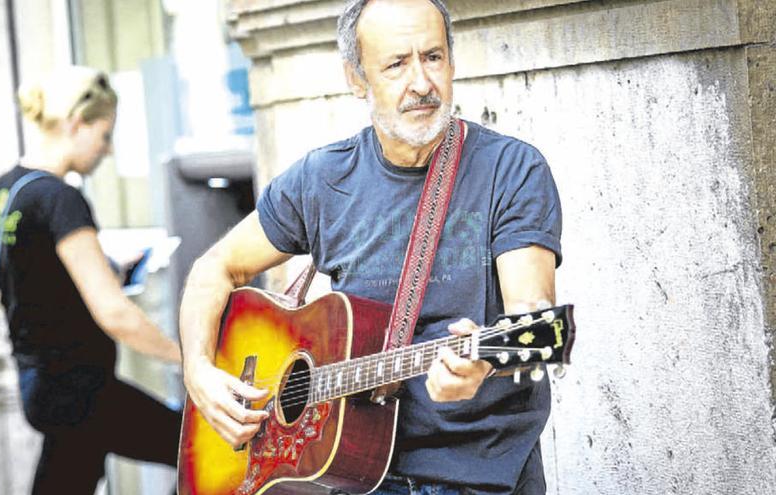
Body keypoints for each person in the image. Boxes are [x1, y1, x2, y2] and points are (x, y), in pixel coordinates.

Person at [178, 0, 562, 493]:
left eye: (433, 57)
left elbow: (535, 316)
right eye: (397, 64)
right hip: (354, 474)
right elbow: (215, 269)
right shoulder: (322, 180)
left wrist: (484, 360)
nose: (422, 83)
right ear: (356, 79)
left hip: (478, 477)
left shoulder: (511, 171)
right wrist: (200, 373)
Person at [0, 66, 182, 494]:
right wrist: (187, 357)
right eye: (105, 135)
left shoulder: (1, 193)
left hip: (40, 384)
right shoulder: (59, 199)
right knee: (195, 443)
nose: (106, 151)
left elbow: (23, 280)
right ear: (76, 123)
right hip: (79, 392)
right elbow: (114, 314)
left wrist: (107, 267)